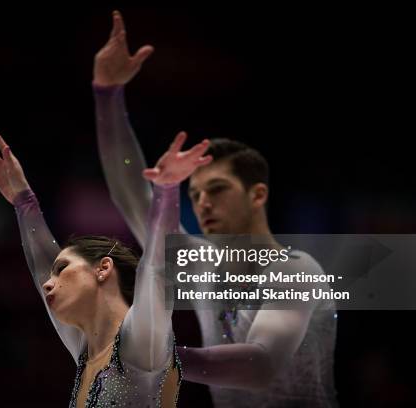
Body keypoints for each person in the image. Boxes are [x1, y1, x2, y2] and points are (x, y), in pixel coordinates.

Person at [92, 10, 339, 407]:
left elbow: (260, 366)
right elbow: (132, 197)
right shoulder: (199, 262)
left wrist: (159, 359)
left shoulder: (297, 269)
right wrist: (106, 93)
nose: (203, 202)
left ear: (258, 195)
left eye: (218, 189)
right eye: (194, 193)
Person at [0, 132, 211, 407]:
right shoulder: (88, 351)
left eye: (61, 270)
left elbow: (156, 269)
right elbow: (41, 268)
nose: (48, 284)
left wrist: (167, 190)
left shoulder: (140, 341)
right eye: (52, 276)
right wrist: (23, 201)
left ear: (103, 269)